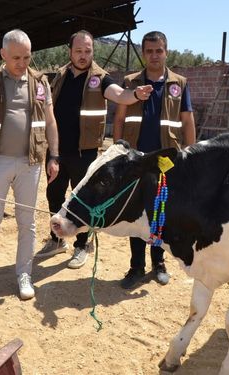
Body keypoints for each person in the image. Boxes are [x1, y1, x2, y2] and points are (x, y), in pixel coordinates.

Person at [35, 30, 154, 269]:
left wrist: (135, 95)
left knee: (83, 200)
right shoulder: (59, 75)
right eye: (78, 51)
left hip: (84, 153)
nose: (83, 55)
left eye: (87, 51)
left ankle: (82, 245)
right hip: (57, 150)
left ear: (92, 52)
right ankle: (57, 240)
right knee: (54, 196)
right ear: (70, 51)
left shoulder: (100, 78)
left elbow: (118, 94)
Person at [0, 29, 59, 301]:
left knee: (27, 222)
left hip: (30, 164)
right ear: (3, 54)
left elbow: (50, 122)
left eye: (27, 57)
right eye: (16, 57)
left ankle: (24, 274)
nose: (22, 62)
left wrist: (54, 156)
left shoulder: (41, 83)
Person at [112, 31, 196, 289]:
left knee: (160, 213)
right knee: (136, 214)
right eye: (149, 51)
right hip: (136, 158)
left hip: (166, 161)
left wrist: (191, 156)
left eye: (158, 50)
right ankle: (136, 266)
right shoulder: (130, 82)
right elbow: (119, 119)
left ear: (166, 52)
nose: (154, 55)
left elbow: (187, 121)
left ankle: (158, 263)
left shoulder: (179, 83)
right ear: (143, 53)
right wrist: (118, 151)